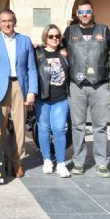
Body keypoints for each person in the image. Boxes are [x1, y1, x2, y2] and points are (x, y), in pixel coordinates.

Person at [0, 9, 37, 178]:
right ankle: (3, 159)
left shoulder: (25, 40)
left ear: (15, 21)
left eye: (10, 20)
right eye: (3, 21)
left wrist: (32, 91)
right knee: (1, 127)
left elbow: (31, 68)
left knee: (20, 128)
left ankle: (17, 163)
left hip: (20, 86)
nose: (7, 24)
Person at [63, 0, 110, 177]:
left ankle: (101, 162)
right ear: (76, 14)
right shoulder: (69, 31)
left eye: (87, 12)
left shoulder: (104, 30)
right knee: (77, 126)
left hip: (99, 84)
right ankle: (79, 161)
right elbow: (60, 51)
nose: (84, 15)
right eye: (81, 12)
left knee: (100, 126)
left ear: (93, 12)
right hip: (76, 85)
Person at [35, 24, 70, 178]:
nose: (55, 39)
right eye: (51, 36)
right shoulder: (37, 53)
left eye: (57, 36)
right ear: (45, 38)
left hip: (61, 98)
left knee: (59, 129)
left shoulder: (64, 53)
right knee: (43, 129)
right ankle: (47, 160)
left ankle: (61, 163)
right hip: (42, 98)